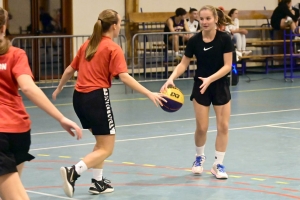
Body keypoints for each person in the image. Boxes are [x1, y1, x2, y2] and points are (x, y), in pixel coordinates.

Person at [52, 9, 166, 198]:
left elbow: (70, 69)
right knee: (107, 148)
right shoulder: (113, 48)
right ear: (113, 26)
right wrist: (148, 93)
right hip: (96, 98)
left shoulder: (88, 44)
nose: (120, 26)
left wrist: (59, 88)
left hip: (78, 99)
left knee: (100, 143)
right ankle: (74, 171)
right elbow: (124, 77)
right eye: (119, 23)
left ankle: (98, 182)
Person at [0, 7, 82, 200]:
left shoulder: (14, 54)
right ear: (4, 27)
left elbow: (28, 88)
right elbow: (28, 88)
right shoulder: (16, 54)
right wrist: (60, 117)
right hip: (19, 132)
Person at [161, 5, 234, 179]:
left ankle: (218, 164)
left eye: (208, 18)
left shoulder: (225, 39)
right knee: (202, 127)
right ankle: (199, 157)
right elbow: (183, 63)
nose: (205, 22)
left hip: (219, 85)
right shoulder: (194, 41)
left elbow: (227, 66)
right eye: (202, 19)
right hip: (201, 86)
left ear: (216, 19)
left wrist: (211, 79)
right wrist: (171, 78)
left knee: (223, 126)